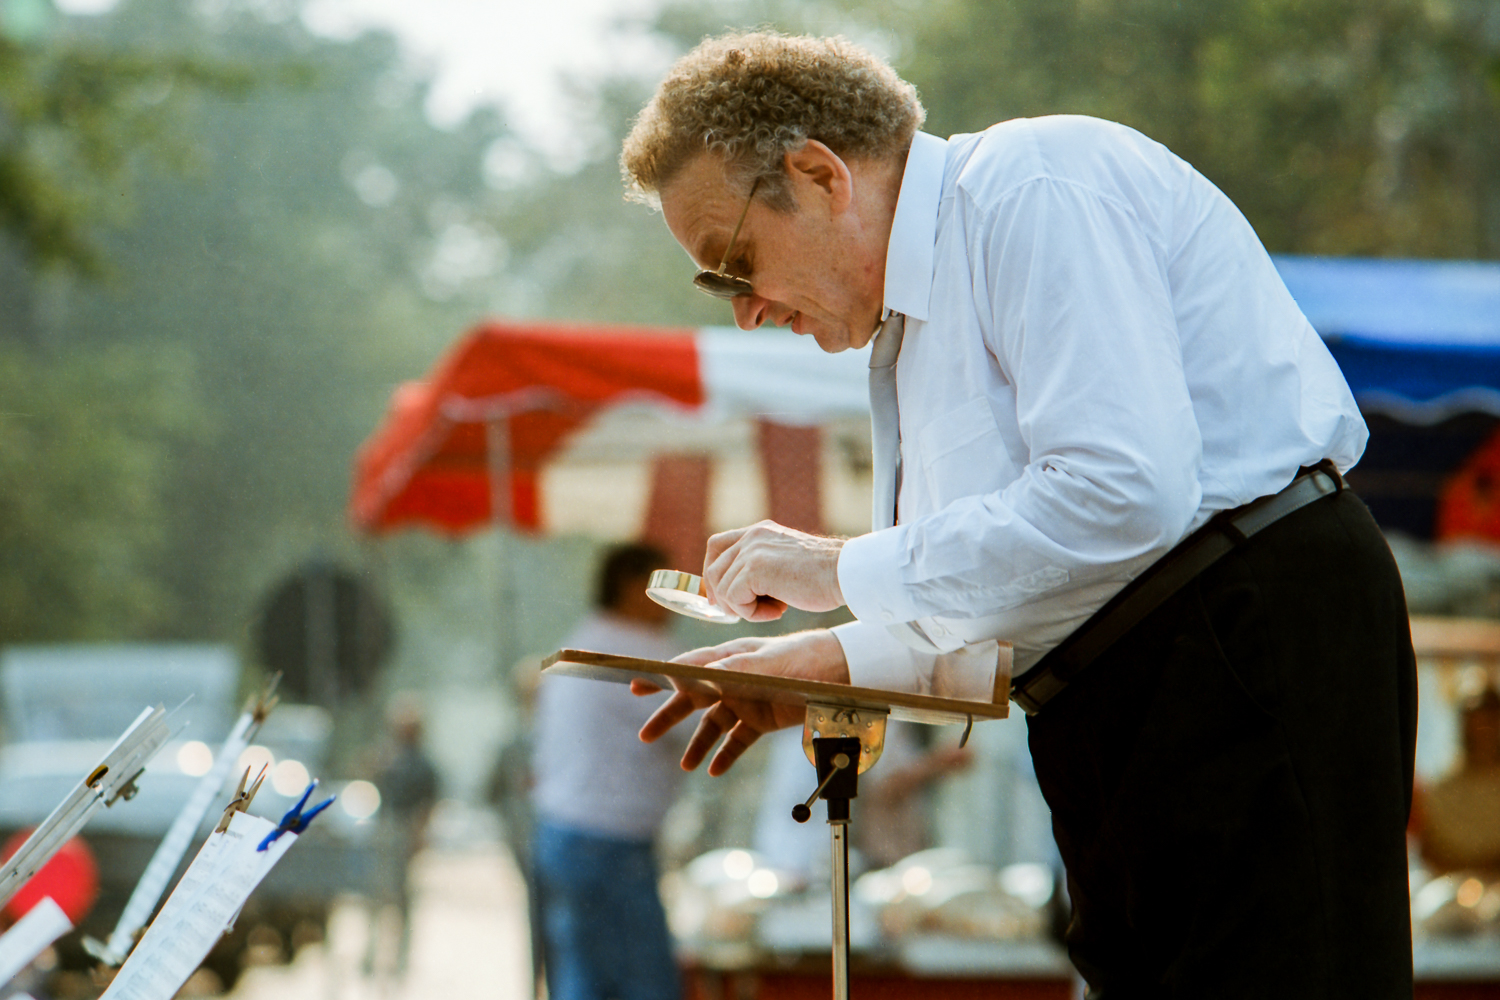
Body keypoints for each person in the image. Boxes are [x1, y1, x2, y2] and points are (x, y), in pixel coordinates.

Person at [619, 31, 1417, 998]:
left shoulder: (1030, 183)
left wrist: (834, 569)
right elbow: (1029, 573)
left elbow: (1122, 494)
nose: (743, 311)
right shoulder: (908, 321)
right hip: (1129, 683)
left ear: (819, 174)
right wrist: (839, 664)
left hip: (1238, 630)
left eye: (733, 263)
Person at [530, 542, 693, 1000]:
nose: (680, 603)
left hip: (563, 833)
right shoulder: (638, 649)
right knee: (643, 987)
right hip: (608, 844)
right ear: (632, 587)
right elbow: (704, 718)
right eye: (668, 587)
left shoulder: (586, 637)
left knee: (584, 980)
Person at [365, 694, 440, 977]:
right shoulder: (387, 757)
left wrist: (419, 834)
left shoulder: (423, 763)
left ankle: (400, 960)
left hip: (406, 828)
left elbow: (428, 803)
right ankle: (372, 955)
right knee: (376, 894)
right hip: (385, 826)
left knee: (402, 899)